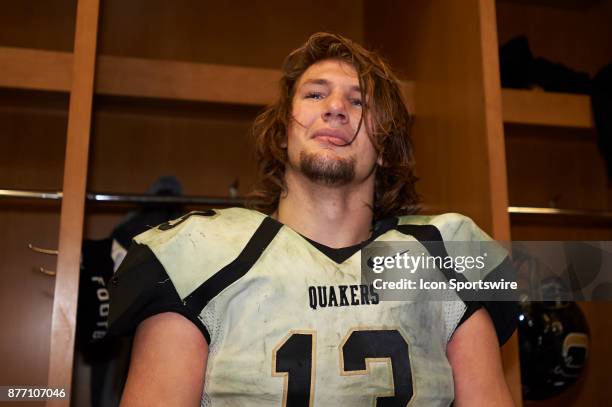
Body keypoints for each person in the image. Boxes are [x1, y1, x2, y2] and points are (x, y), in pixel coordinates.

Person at [108, 32, 517, 406]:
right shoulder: (199, 255)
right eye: (316, 95)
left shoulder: (446, 255)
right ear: (283, 133)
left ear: (386, 146)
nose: (336, 108)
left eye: (359, 101)